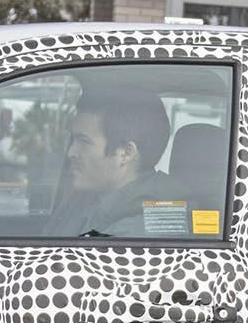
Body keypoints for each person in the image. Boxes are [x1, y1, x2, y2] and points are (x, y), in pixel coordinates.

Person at [51, 85, 175, 237]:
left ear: (125, 153)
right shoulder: (86, 200)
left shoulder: (139, 230)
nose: (71, 152)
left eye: (84, 141)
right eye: (73, 140)